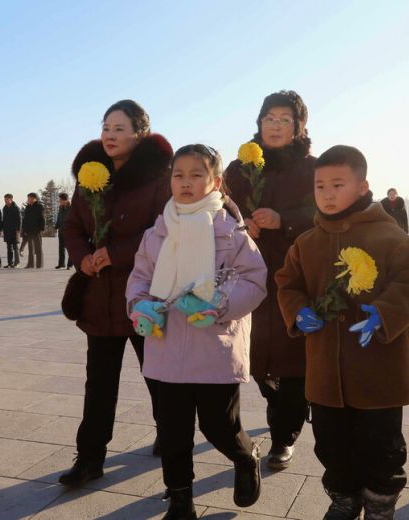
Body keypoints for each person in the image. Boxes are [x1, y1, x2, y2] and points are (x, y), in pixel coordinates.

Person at [276, 145, 409, 519]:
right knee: (331, 442)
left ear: (363, 187)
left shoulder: (388, 236)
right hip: (325, 372)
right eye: (320, 186)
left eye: (338, 184)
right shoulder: (307, 242)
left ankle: (380, 501)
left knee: (381, 443)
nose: (328, 194)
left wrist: (383, 313)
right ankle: (343, 497)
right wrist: (298, 312)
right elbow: (287, 283)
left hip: (378, 369)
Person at [127, 144, 267, 518]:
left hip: (215, 346)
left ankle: (244, 455)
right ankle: (180, 498)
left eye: (196, 174)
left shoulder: (231, 232)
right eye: (178, 174)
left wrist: (220, 306)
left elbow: (254, 280)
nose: (186, 182)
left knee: (219, 426)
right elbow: (139, 278)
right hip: (166, 346)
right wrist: (139, 306)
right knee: (172, 432)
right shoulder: (157, 233)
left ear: (216, 181)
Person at [59, 99, 172, 487]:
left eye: (119, 128)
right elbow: (72, 225)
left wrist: (117, 253)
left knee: (156, 375)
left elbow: (164, 230)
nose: (109, 134)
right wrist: (83, 257)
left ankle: (169, 434)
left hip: (143, 295)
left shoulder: (160, 178)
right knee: (99, 382)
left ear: (139, 134)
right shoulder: (91, 174)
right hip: (99, 297)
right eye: (106, 126)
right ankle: (90, 458)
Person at [225, 90, 315, 469]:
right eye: (269, 118)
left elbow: (324, 210)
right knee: (255, 355)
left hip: (296, 272)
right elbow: (222, 206)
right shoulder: (238, 168)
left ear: (298, 128)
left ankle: (284, 436)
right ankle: (277, 403)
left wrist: (284, 220)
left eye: (284, 119)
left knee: (293, 357)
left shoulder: (313, 168)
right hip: (249, 273)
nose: (275, 125)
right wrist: (241, 220)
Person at [22, 192, 44, 268]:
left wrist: (41, 229)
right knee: (30, 248)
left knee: (38, 248)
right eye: (28, 198)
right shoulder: (27, 207)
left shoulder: (39, 206)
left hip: (36, 230)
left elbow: (42, 219)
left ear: (34, 198)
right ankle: (30, 264)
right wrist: (24, 229)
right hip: (29, 230)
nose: (28, 199)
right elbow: (25, 219)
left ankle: (39, 264)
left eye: (30, 198)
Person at [2, 193, 22, 268]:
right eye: (5, 200)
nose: (5, 201)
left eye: (7, 199)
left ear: (11, 199)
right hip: (7, 231)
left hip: (14, 231)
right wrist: (2, 228)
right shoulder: (4, 208)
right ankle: (10, 263)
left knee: (15, 247)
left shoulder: (16, 208)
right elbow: (3, 220)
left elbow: (19, 220)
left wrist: (18, 230)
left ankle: (17, 263)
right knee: (9, 248)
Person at [55, 192, 73, 269]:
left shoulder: (71, 208)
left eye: (60, 200)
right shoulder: (61, 207)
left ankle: (70, 264)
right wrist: (56, 226)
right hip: (61, 230)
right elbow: (59, 217)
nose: (59, 201)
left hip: (69, 231)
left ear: (64, 200)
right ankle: (61, 263)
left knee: (69, 248)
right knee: (61, 248)